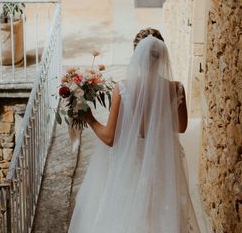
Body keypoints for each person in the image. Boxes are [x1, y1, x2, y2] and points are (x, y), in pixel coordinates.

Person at [67, 28, 199, 232]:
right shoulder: (176, 88)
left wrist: (90, 118)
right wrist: (159, 122)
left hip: (132, 166)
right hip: (162, 163)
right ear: (162, 54)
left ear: (136, 55)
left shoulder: (123, 88)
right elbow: (181, 127)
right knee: (159, 216)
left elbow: (110, 138)